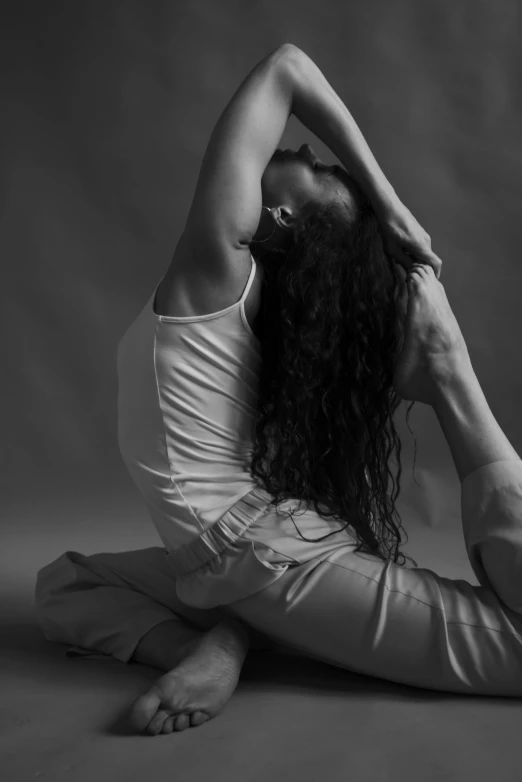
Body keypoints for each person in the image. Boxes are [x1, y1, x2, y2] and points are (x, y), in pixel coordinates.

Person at [35, 44, 522, 737]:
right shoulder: (233, 301)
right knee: (67, 583)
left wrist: (392, 214)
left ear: (281, 221)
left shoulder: (216, 269)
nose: (295, 149)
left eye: (305, 171)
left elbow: (286, 68)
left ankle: (450, 371)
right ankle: (218, 640)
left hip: (254, 556)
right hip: (230, 553)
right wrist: (387, 209)